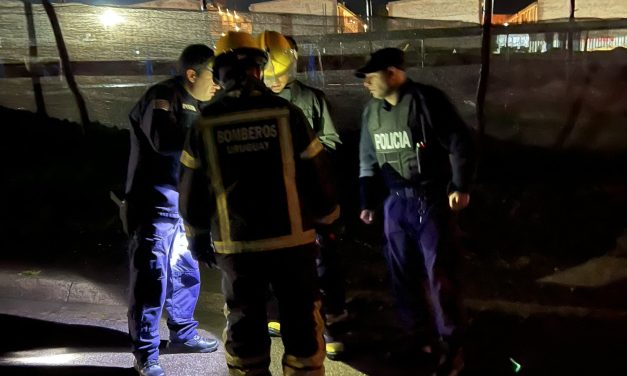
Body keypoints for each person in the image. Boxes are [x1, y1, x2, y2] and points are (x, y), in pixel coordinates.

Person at [178, 31, 339, 376]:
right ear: (259, 68)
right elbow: (319, 175)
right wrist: (328, 222)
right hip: (292, 243)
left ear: (220, 72)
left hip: (236, 247)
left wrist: (196, 237)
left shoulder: (204, 124)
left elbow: (191, 190)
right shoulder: (287, 113)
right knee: (302, 326)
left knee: (244, 325)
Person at [356, 47, 475, 374]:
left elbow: (459, 141)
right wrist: (367, 202)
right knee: (402, 276)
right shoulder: (372, 113)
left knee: (440, 277)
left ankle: (452, 346)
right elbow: (367, 162)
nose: (367, 83)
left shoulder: (426, 101)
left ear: (393, 73)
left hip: (430, 200)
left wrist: (460, 186)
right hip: (395, 204)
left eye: (371, 76)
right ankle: (417, 339)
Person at [125, 44, 220, 376]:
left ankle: (183, 334)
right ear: (191, 74)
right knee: (152, 280)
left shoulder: (202, 104)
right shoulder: (162, 97)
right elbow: (163, 140)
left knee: (186, 274)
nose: (218, 84)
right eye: (213, 76)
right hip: (154, 206)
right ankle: (146, 352)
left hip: (183, 207)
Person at [258, 30, 347, 359]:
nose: (275, 81)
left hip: (308, 199)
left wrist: (308, 160)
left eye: (281, 74)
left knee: (323, 260)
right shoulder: (257, 103)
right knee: (277, 263)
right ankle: (279, 317)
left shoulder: (311, 99)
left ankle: (332, 321)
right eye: (270, 75)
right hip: (273, 202)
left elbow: (333, 142)